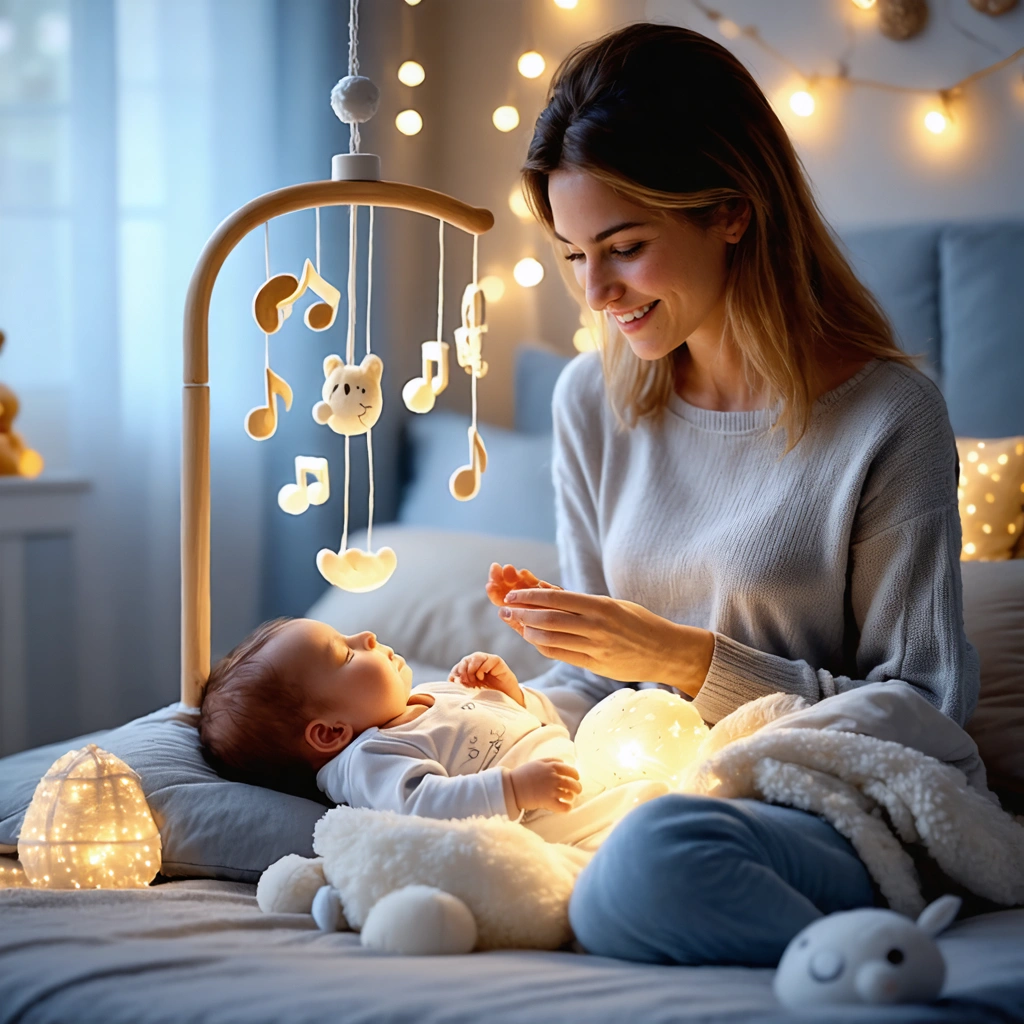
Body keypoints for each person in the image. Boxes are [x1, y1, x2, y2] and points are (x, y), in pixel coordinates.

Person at [491, 22, 979, 967]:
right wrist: (490, 714)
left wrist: (686, 659)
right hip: (649, 775)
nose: (596, 292)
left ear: (730, 212)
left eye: (624, 247)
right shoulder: (590, 400)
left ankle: (877, 967)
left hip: (826, 797)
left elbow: (922, 709)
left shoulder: (888, 416)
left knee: (651, 858)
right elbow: (596, 684)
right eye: (573, 255)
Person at [198, 617, 665, 853]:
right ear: (330, 733)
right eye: (346, 655)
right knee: (649, 820)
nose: (366, 637)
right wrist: (515, 789)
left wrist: (511, 694)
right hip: (552, 824)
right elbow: (424, 807)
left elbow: (532, 726)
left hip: (583, 771)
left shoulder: (422, 695)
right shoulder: (370, 759)